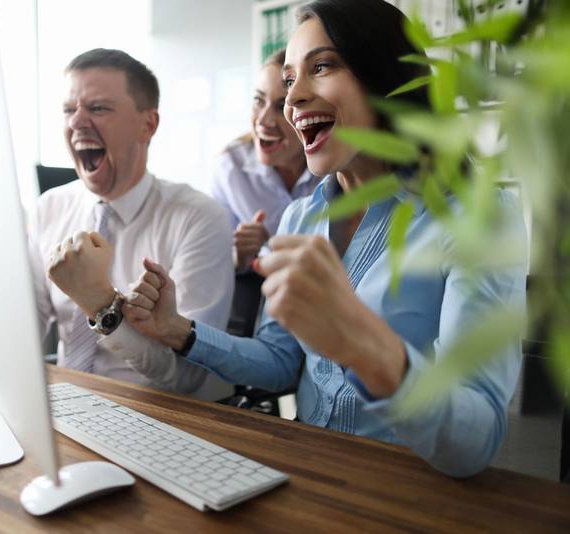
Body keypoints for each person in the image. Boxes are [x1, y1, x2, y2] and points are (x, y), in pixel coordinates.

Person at [121, 0, 527, 477]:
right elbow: (280, 361)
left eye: (322, 66)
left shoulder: (479, 216)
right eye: (289, 79)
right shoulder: (299, 218)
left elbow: (474, 442)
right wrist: (177, 329)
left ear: (385, 77)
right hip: (308, 475)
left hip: (411, 488)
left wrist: (361, 343)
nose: (292, 99)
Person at [29, 48, 234, 400]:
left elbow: (189, 376)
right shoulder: (48, 208)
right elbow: (22, 334)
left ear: (147, 125)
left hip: (159, 411)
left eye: (98, 108)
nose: (76, 122)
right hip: (66, 403)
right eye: (68, 110)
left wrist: (100, 304)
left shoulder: (199, 218)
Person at [211, 50, 318, 269]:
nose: (264, 120)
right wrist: (239, 255)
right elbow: (213, 259)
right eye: (259, 100)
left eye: (281, 106)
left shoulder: (333, 169)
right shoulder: (231, 167)